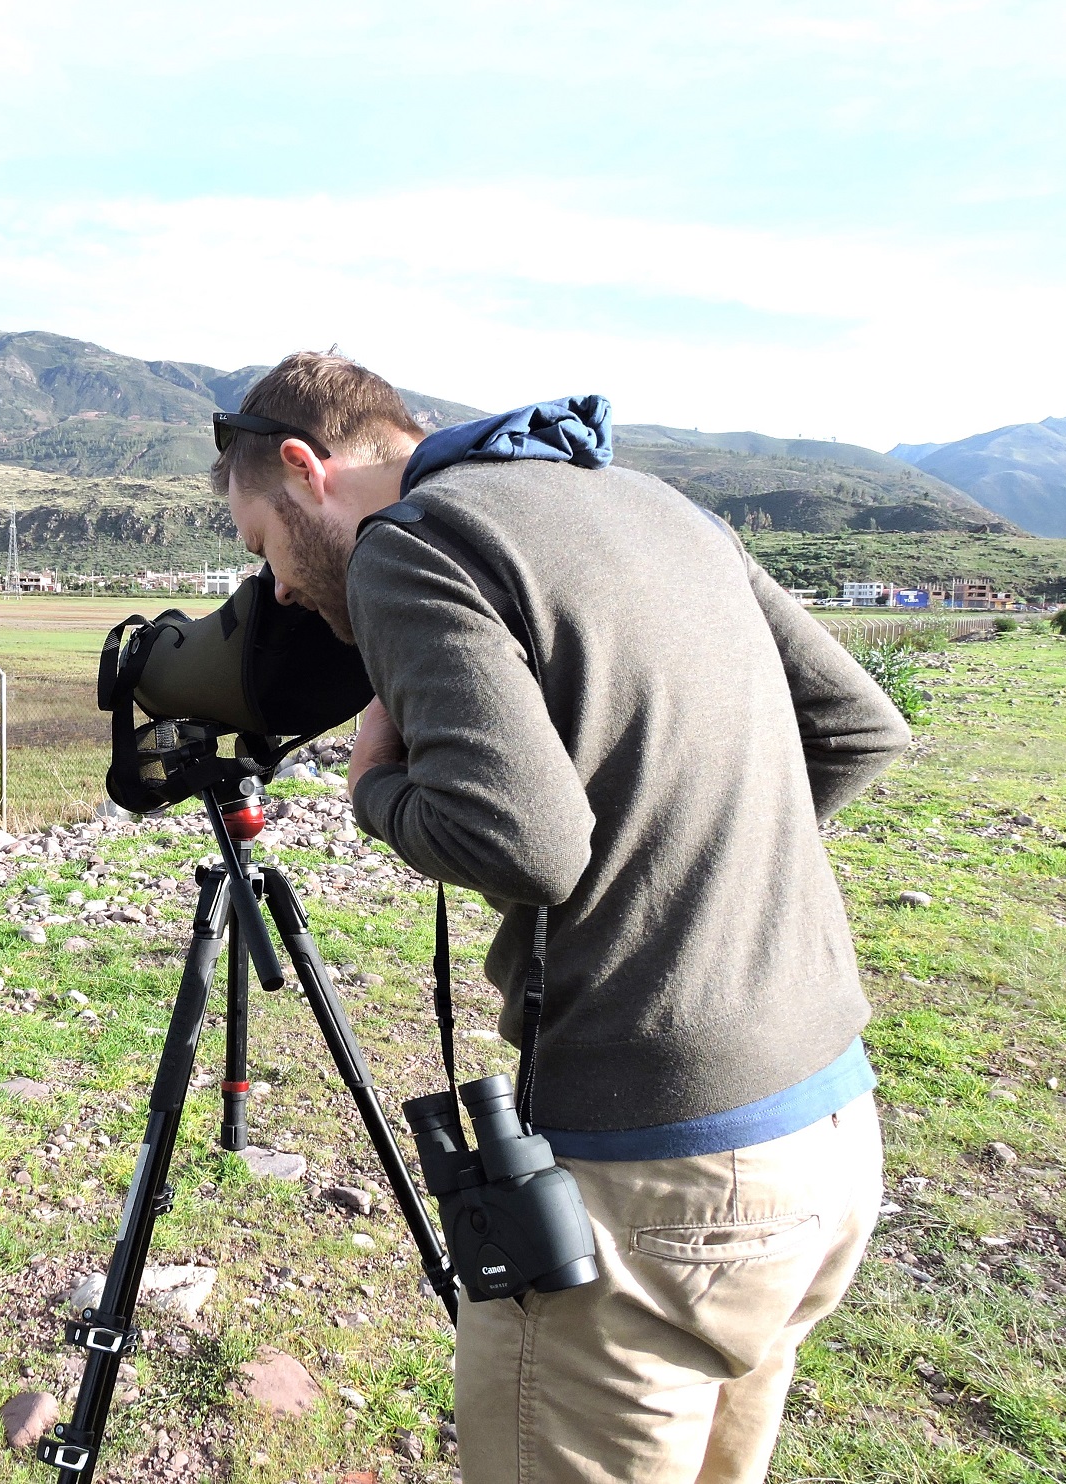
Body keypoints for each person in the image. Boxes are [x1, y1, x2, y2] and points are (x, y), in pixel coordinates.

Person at [210, 350, 910, 1484]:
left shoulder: (414, 542)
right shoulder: (650, 500)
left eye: (261, 544)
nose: (278, 588)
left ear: (304, 470)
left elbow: (523, 846)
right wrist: (687, 875)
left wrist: (373, 791)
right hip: (824, 1130)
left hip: (655, 1177)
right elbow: (857, 729)